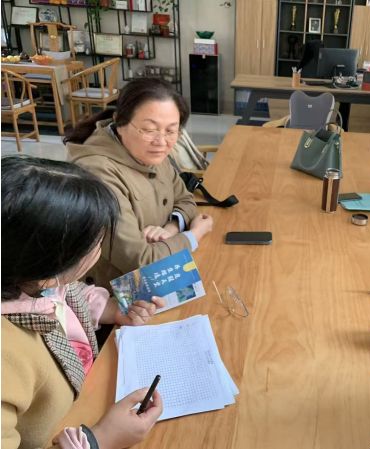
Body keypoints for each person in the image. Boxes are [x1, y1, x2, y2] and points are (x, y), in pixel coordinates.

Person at [1, 156, 165, 449]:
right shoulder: (8, 358)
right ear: (49, 265)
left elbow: (69, 293)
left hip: (88, 390)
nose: (99, 249)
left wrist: (112, 310)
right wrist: (100, 438)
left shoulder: (30, 278)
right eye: (95, 242)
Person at [64, 77, 213, 289]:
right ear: (120, 123)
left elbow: (186, 199)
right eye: (149, 130)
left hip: (161, 270)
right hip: (115, 294)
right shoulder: (98, 173)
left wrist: (170, 229)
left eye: (171, 131)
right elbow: (141, 262)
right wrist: (194, 235)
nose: (161, 142)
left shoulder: (150, 154)